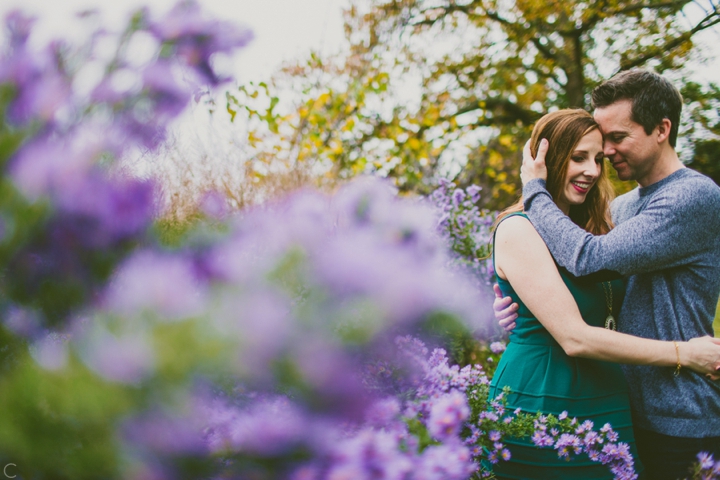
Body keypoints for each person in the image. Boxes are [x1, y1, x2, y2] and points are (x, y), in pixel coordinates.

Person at [494, 69, 720, 479]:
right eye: (596, 148)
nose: (605, 158)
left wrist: (535, 189)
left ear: (662, 129)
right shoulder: (622, 208)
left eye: (616, 139)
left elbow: (587, 259)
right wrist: (523, 309)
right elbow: (584, 287)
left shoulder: (692, 198)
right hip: (618, 405)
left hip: (678, 413)